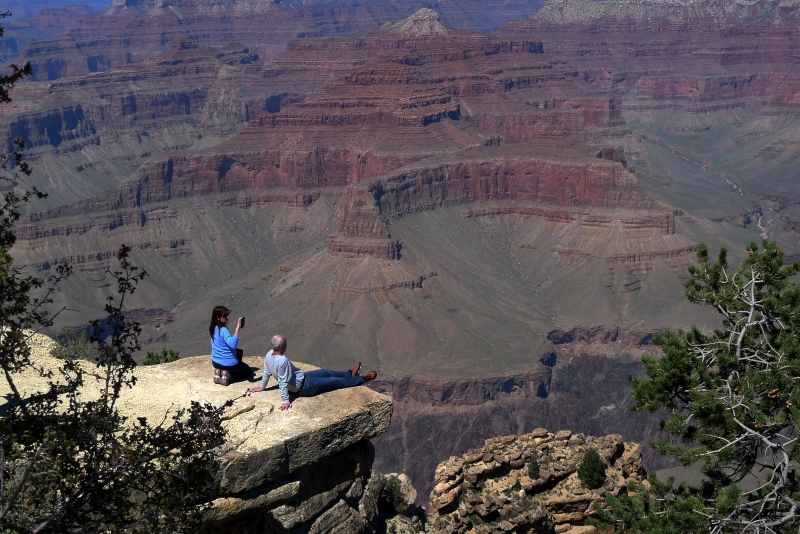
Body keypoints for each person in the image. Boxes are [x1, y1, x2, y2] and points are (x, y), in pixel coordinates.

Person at [247, 335, 376, 410]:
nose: (287, 345)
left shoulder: (269, 354)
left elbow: (266, 373)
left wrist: (262, 387)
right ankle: (362, 379)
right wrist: (286, 401)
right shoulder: (282, 361)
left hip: (304, 377)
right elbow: (282, 381)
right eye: (285, 344)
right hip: (305, 387)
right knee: (335, 382)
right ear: (281, 347)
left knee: (325, 372)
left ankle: (350, 374)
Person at [209, 305, 251, 386]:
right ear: (218, 318)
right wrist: (237, 328)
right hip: (228, 364)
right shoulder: (224, 330)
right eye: (225, 315)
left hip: (215, 362)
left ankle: (219, 372)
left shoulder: (213, 328)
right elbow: (232, 345)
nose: (227, 317)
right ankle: (228, 378)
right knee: (247, 371)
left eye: (227, 314)